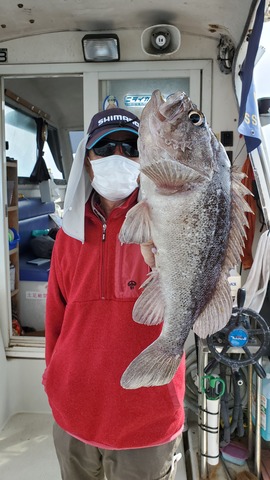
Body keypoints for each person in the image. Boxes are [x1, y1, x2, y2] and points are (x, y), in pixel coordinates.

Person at [42, 107, 186, 480]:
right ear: (88, 162)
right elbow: (55, 319)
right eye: (105, 148)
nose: (118, 156)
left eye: (129, 146)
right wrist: (52, 377)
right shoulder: (67, 235)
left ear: (145, 157)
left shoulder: (167, 223)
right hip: (73, 412)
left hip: (149, 419)